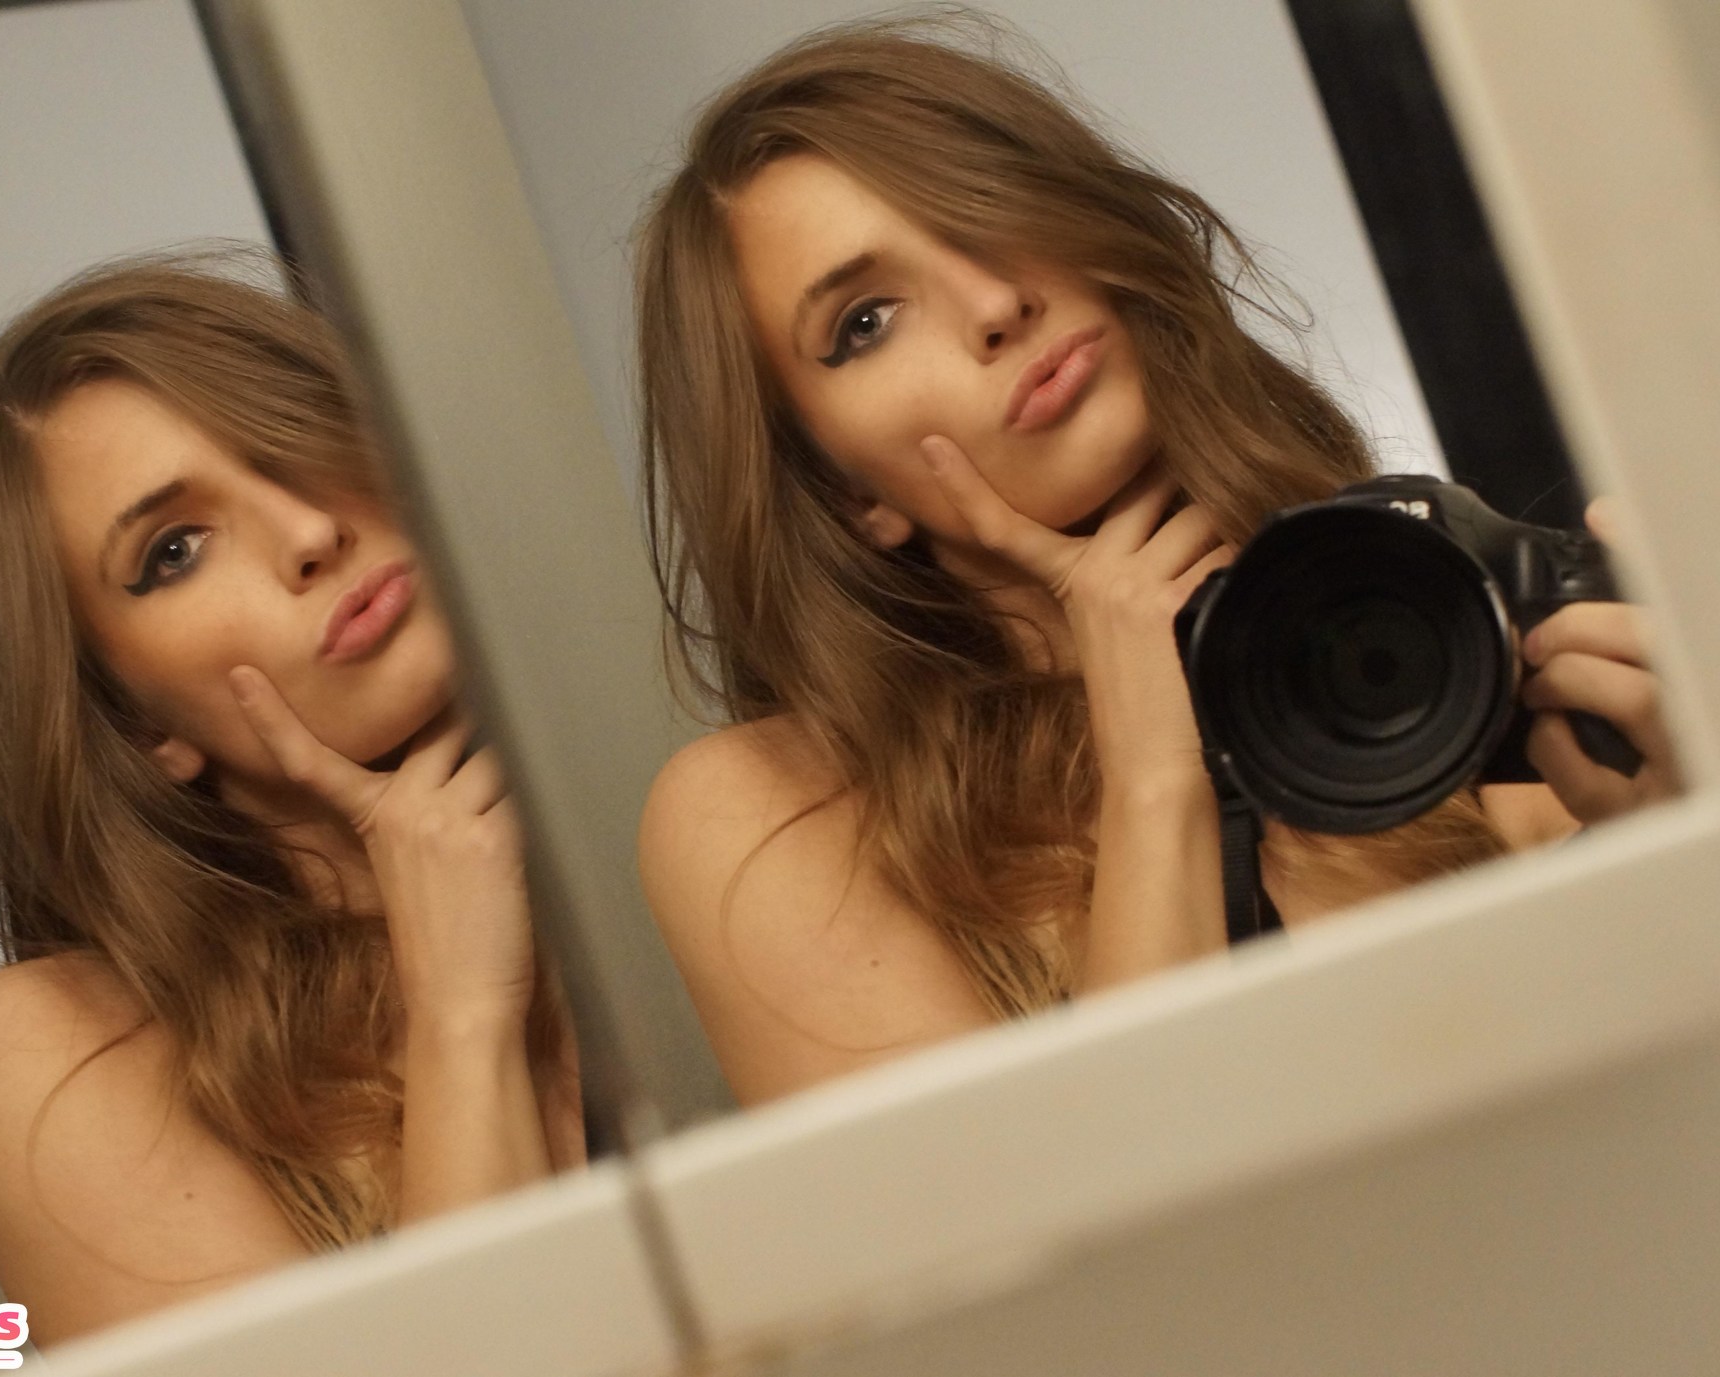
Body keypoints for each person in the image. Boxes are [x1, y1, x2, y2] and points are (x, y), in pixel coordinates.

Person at [632, 17, 1679, 1107]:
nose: (994, 305)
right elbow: (1086, 1217)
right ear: (847, 493)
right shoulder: (775, 817)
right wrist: (1151, 784)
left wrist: (1670, 848)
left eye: (982, 208)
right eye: (867, 321)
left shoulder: (1424, 639)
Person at [0, 254, 581, 1346]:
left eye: (287, 436)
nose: (309, 532)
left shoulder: (682, 820)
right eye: (175, 552)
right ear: (140, 727)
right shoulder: (63, 1055)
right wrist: (461, 1017)